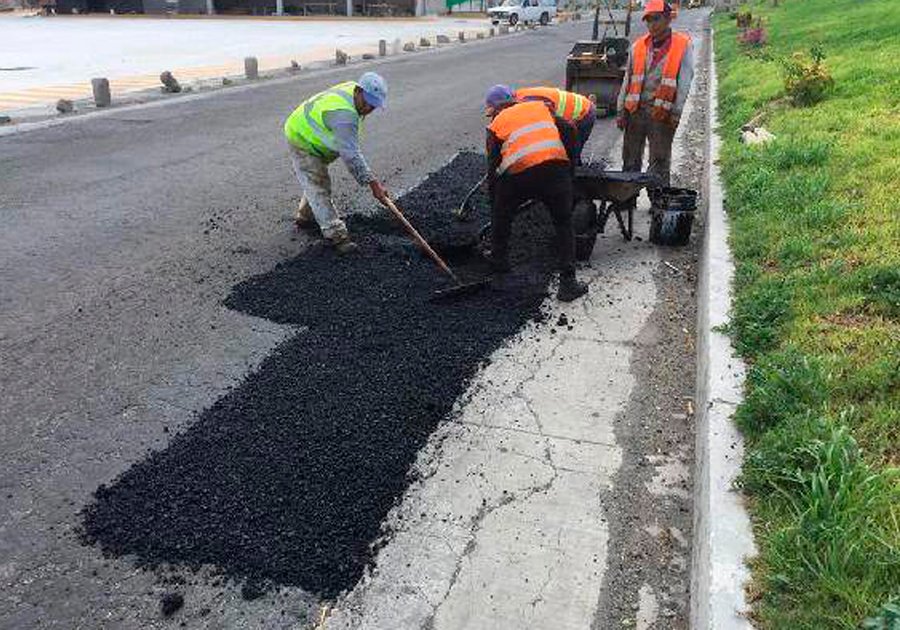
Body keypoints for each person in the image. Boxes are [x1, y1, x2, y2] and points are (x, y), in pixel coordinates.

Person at [483, 85, 588, 303]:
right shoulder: (539, 107)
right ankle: (568, 284)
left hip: (518, 175)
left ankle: (499, 266)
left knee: (502, 217)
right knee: (563, 223)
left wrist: (495, 204)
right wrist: (569, 169)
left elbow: (493, 166)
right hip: (554, 171)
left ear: (494, 109)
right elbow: (568, 128)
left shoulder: (496, 124)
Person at [283, 72, 391, 254]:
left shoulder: (351, 90)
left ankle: (306, 216)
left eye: (373, 107)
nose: (368, 110)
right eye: (367, 104)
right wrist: (374, 185)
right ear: (358, 91)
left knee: (314, 181)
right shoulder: (345, 115)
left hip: (310, 132)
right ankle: (337, 235)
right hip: (302, 138)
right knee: (318, 184)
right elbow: (352, 156)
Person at [616, 0, 694, 201]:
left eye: (656, 19)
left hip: (662, 115)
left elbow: (684, 82)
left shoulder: (682, 45)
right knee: (630, 158)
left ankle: (658, 202)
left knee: (659, 161)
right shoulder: (638, 47)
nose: (652, 24)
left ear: (668, 19)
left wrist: (676, 113)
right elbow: (628, 79)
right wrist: (621, 110)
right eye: (648, 20)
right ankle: (627, 200)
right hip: (635, 113)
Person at [514, 86, 596, 163]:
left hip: (584, 113)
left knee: (569, 153)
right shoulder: (521, 95)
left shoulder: (527, 102)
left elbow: (546, 126)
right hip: (578, 110)